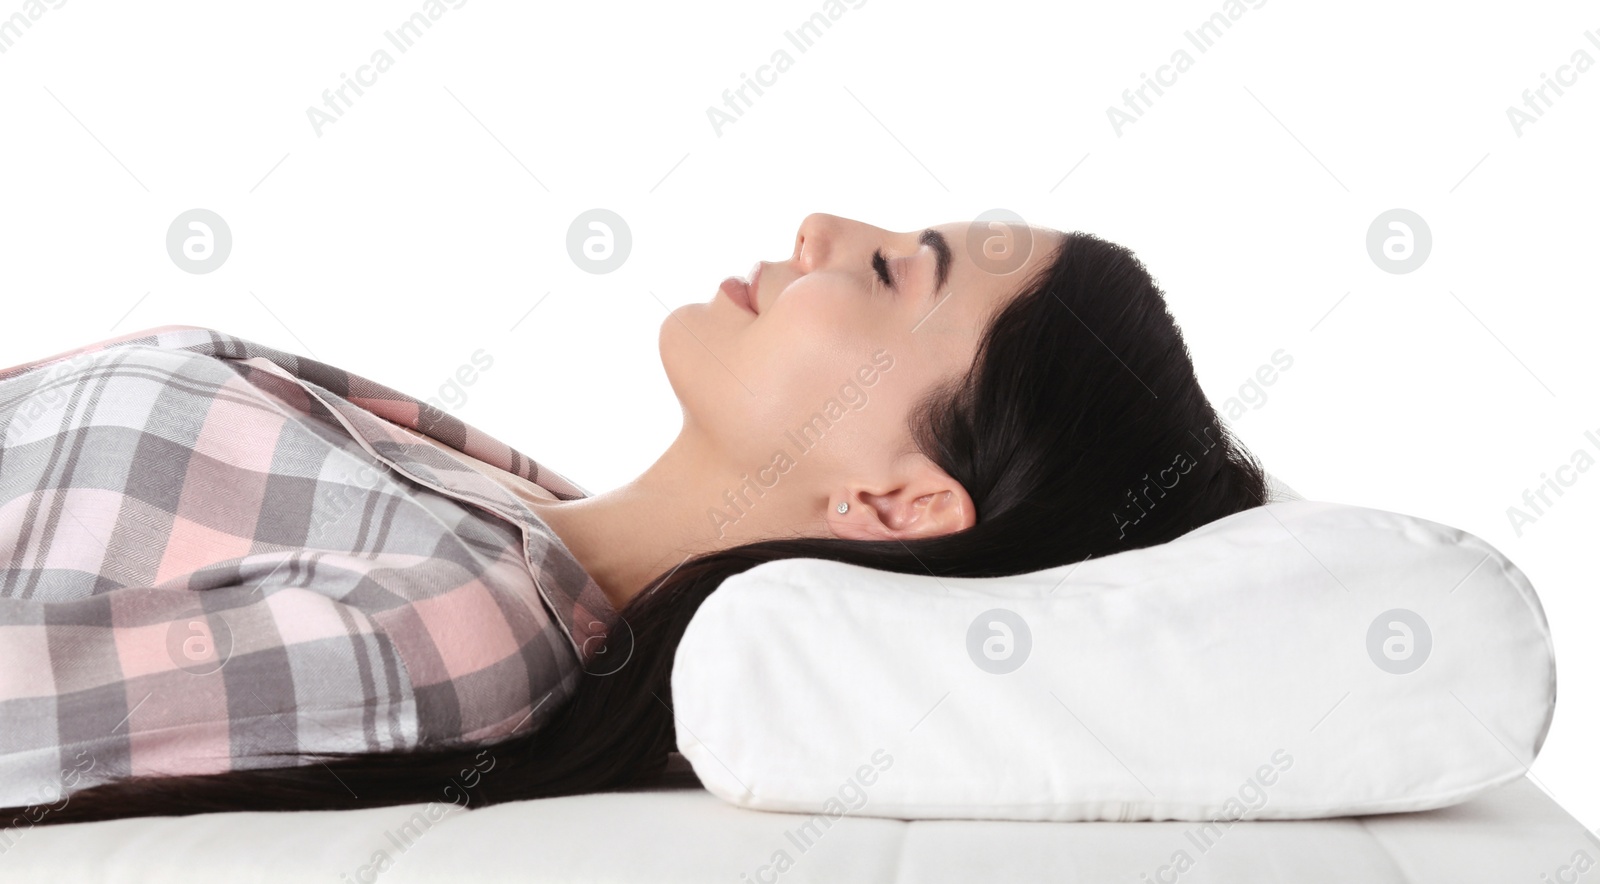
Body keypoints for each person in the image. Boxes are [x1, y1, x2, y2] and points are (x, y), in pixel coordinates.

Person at [0, 213, 1267, 825]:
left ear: (894, 500)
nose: (825, 227)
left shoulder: (465, 630)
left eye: (891, 271)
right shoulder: (503, 499)